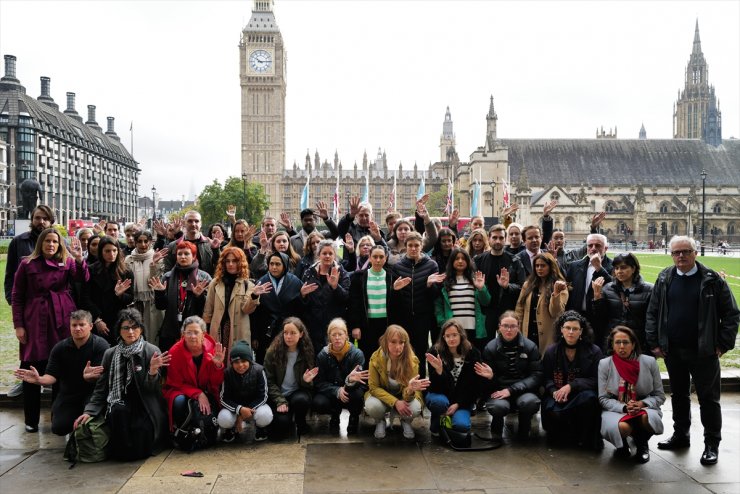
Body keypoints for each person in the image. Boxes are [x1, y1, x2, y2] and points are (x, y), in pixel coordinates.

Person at [646, 235, 739, 465]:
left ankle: (711, 444)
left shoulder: (712, 280)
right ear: (671, 255)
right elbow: (653, 310)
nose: (681, 256)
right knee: (678, 395)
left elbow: (731, 314)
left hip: (704, 351)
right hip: (673, 350)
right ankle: (681, 435)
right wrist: (654, 342)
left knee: (709, 399)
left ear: (695, 252)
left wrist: (722, 344)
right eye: (676, 252)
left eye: (686, 251)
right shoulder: (664, 277)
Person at [12, 227, 87, 432]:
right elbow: (17, 296)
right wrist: (19, 325)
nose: (51, 245)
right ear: (41, 243)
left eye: (55, 241)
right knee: (31, 366)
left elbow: (82, 278)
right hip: (34, 319)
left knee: (61, 369)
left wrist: (80, 260)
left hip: (61, 317)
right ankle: (31, 419)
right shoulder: (26, 264)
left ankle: (58, 416)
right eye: (48, 241)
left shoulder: (68, 261)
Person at [75, 308, 170, 460]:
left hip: (145, 403)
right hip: (119, 400)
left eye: (135, 327)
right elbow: (101, 388)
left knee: (141, 433)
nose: (131, 332)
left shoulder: (151, 351)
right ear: (119, 330)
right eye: (126, 327)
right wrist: (89, 411)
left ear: (141, 329)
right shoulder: (110, 353)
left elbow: (153, 390)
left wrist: (152, 370)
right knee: (118, 412)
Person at [13, 310, 109, 436]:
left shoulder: (101, 345)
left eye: (82, 325)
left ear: (90, 326)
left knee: (90, 426)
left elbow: (102, 377)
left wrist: (88, 377)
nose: (77, 328)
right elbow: (51, 376)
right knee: (59, 428)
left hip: (93, 393)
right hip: (69, 394)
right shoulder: (60, 348)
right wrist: (39, 380)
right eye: (74, 325)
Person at [599, 326, 665, 463]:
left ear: (633, 344)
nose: (621, 346)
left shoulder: (649, 362)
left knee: (646, 418)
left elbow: (660, 396)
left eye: (626, 342)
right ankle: (622, 445)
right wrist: (624, 408)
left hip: (644, 407)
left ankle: (642, 445)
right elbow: (603, 398)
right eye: (617, 342)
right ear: (612, 344)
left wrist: (641, 404)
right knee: (623, 428)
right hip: (616, 407)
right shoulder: (605, 364)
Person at [476, 311, 542, 446]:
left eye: (513, 326)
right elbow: (485, 384)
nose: (509, 330)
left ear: (518, 327)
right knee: (498, 406)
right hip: (499, 390)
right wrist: (491, 377)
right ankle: (496, 430)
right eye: (505, 326)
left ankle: (524, 429)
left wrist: (511, 390)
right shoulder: (490, 348)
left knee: (530, 403)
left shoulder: (530, 347)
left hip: (523, 390)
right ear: (499, 327)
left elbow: (536, 376)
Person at [541, 311, 604, 450]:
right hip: (556, 393)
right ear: (561, 330)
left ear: (581, 331)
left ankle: (584, 436)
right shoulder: (551, 351)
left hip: (581, 394)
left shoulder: (594, 351)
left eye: (575, 329)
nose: (571, 332)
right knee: (554, 411)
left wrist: (571, 386)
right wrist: (555, 392)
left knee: (589, 399)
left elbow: (597, 379)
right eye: (567, 328)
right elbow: (546, 378)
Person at [163, 315, 225, 449]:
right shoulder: (175, 352)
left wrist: (218, 366)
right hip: (181, 389)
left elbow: (216, 381)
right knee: (178, 401)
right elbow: (175, 382)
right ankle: (181, 431)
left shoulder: (212, 348)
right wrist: (198, 394)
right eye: (188, 332)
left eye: (196, 332)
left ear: (203, 334)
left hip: (207, 389)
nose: (192, 336)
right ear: (183, 334)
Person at [203, 246, 271, 358]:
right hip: (218, 329)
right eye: (227, 261)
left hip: (239, 330)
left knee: (236, 362)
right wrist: (205, 334)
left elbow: (246, 309)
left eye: (234, 261)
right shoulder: (215, 283)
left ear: (240, 263)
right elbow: (208, 311)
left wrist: (254, 295)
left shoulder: (248, 284)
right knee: (216, 361)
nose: (230, 264)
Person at [390, 231, 442, 375]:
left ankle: (420, 385)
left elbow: (435, 295)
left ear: (421, 246)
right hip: (404, 317)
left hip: (422, 317)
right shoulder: (398, 266)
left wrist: (430, 285)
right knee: (402, 351)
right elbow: (394, 299)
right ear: (405, 246)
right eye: (410, 245)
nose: (413, 248)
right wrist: (395, 289)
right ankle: (403, 383)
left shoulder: (431, 265)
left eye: (416, 245)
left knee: (420, 352)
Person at [364, 325, 429, 440]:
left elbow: (409, 395)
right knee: (372, 406)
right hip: (382, 397)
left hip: (404, 396)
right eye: (393, 342)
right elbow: (373, 387)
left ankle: (406, 421)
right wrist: (395, 402)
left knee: (415, 408)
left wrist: (409, 389)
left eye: (401, 342)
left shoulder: (412, 360)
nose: (397, 347)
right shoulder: (376, 358)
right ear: (385, 342)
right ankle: (380, 421)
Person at [151, 240, 213, 352]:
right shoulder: (168, 277)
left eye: (186, 254)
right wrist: (160, 293)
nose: (182, 257)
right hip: (170, 330)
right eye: (179, 254)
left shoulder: (204, 277)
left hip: (194, 329)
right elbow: (161, 307)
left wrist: (199, 297)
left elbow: (207, 309)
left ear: (194, 256)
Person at [425, 319, 482, 438]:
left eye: (454, 335)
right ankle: (438, 421)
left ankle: (451, 419)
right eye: (447, 336)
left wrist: (458, 404)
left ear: (461, 335)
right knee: (439, 403)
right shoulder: (435, 352)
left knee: (461, 426)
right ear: (443, 337)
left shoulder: (473, 353)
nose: (451, 339)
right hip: (441, 395)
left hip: (461, 399)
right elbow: (433, 387)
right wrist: (439, 371)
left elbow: (474, 386)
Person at [263, 317, 318, 437]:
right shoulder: (272, 352)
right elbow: (268, 380)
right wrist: (280, 400)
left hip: (297, 393)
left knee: (301, 400)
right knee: (281, 426)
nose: (288, 336)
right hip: (278, 394)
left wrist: (305, 381)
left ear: (301, 334)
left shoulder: (306, 352)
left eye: (293, 333)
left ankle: (300, 420)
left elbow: (309, 385)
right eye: (286, 333)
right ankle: (287, 417)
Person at [313, 318, 368, 434]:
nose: (337, 338)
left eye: (340, 334)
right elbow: (319, 382)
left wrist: (348, 384)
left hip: (351, 390)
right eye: (334, 335)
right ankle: (334, 416)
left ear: (346, 335)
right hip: (333, 391)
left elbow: (361, 381)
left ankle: (354, 418)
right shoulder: (323, 355)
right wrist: (337, 390)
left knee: (358, 395)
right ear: (329, 337)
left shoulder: (357, 354)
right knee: (319, 402)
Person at [474, 224, 527, 341]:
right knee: (485, 344)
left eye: (501, 238)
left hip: (507, 310)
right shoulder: (478, 260)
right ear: (489, 238)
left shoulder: (514, 261)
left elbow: (522, 286)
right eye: (494, 237)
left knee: (508, 344)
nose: (498, 241)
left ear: (505, 239)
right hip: (486, 311)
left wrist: (507, 286)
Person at [591, 253, 653, 351]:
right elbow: (600, 317)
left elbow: (652, 320)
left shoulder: (649, 290)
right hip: (614, 342)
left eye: (623, 268)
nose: (619, 271)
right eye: (616, 268)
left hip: (638, 343)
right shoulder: (608, 288)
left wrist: (651, 343)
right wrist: (597, 297)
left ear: (633, 269)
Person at [300, 239, 351, 354]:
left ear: (335, 255)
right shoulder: (309, 273)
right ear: (319, 255)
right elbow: (304, 303)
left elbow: (346, 297)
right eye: (324, 253)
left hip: (334, 323)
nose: (327, 256)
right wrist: (302, 295)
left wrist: (335, 287)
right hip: (314, 324)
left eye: (330, 253)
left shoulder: (341, 273)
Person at [82, 236, 135, 345]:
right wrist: (97, 319)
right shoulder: (91, 270)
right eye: (107, 251)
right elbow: (85, 298)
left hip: (118, 318)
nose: (112, 254)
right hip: (97, 318)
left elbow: (130, 298)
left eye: (114, 250)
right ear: (101, 252)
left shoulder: (126, 271)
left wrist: (120, 295)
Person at [434, 248, 491, 350]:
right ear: (452, 261)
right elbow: (438, 305)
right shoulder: (444, 280)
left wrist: (481, 288)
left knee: (473, 359)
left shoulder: (475, 279)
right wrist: (443, 322)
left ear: (468, 261)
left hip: (473, 327)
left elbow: (486, 302)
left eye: (463, 259)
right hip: (453, 330)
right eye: (457, 259)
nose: (460, 261)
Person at [252, 252, 304, 363]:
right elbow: (255, 312)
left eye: (277, 264)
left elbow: (300, 310)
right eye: (271, 264)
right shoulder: (261, 282)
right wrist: (254, 336)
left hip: (286, 329)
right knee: (265, 362)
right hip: (265, 331)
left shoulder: (295, 282)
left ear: (284, 265)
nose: (274, 267)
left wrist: (303, 296)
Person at [218, 340, 273, 442]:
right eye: (236, 362)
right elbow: (223, 398)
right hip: (235, 407)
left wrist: (245, 411)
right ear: (232, 362)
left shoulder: (259, 371)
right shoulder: (227, 373)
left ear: (250, 361)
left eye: (244, 361)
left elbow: (263, 396)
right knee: (223, 418)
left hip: (254, 406)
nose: (240, 365)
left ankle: (260, 428)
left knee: (265, 415)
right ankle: (229, 430)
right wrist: (239, 410)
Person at [348, 244, 394, 366]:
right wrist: (355, 325)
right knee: (368, 356)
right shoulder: (359, 277)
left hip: (386, 324)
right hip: (367, 324)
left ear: (386, 258)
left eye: (381, 257)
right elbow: (354, 303)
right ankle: (369, 384)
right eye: (375, 257)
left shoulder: (392, 276)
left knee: (387, 356)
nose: (378, 260)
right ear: (370, 257)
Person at [515, 253, 569, 351]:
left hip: (548, 336)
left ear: (551, 267)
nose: (539, 268)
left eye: (543, 266)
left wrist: (555, 294)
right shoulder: (527, 285)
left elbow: (556, 313)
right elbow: (519, 309)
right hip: (528, 333)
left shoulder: (560, 286)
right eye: (537, 266)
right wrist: (517, 328)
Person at [125, 230, 168, 344]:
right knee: (134, 334)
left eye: (146, 241)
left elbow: (153, 283)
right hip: (134, 303)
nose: (143, 245)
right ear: (135, 242)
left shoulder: (158, 257)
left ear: (150, 242)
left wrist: (154, 264)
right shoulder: (128, 260)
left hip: (151, 302)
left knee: (152, 336)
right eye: (139, 241)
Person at [565, 233, 613, 329]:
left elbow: (614, 287)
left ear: (605, 248)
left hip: (600, 320)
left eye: (598, 245)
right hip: (576, 318)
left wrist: (598, 267)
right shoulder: (574, 266)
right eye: (590, 245)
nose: (593, 248)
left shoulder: (614, 267)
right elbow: (568, 293)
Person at [163, 210, 221, 276]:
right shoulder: (172, 246)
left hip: (206, 284)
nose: (193, 224)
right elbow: (168, 273)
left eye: (196, 221)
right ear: (184, 223)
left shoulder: (210, 244)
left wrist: (216, 250)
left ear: (201, 224)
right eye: (190, 221)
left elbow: (219, 267)